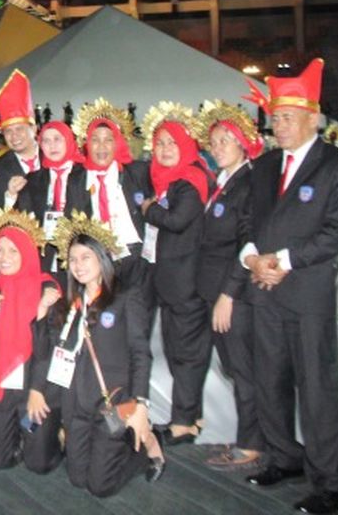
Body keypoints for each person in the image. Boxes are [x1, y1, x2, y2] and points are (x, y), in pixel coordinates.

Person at [240, 59, 338, 514]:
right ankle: (284, 457)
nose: (281, 125)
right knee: (270, 382)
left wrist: (284, 261)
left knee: (317, 387)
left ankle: (335, 482)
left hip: (307, 294)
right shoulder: (266, 165)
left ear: (313, 117)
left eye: (289, 117)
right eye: (276, 117)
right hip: (264, 289)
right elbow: (250, 221)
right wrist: (252, 257)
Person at [49, 212, 164, 496]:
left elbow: (140, 353)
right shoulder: (68, 305)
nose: (78, 265)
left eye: (86, 257)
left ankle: (147, 444)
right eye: (73, 259)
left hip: (114, 402)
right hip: (77, 404)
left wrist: (139, 404)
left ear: (102, 258)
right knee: (77, 478)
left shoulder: (126, 297)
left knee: (100, 486)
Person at [193, 99, 265, 470]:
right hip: (214, 291)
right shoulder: (223, 182)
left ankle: (252, 443)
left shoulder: (248, 184)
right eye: (214, 141)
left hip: (232, 294)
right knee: (236, 368)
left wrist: (227, 296)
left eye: (226, 140)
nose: (217, 147)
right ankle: (248, 435)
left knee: (243, 367)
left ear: (243, 143)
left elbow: (247, 243)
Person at [139, 102, 214, 445]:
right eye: (160, 144)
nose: (166, 150)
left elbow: (178, 221)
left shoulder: (190, 179)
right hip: (172, 283)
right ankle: (190, 416)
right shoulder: (169, 181)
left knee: (186, 353)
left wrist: (149, 210)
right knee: (178, 350)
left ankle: (184, 423)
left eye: (172, 143)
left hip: (186, 284)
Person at [0, 207, 63, 473]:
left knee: (39, 465)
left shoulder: (47, 291)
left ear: (26, 252)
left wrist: (37, 389)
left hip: (34, 386)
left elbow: (52, 350)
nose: (4, 257)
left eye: (13, 250)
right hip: (1, 384)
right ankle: (22, 434)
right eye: (0, 250)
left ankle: (53, 435)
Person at [72, 99, 150, 298]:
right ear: (86, 144)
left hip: (136, 259)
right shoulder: (76, 179)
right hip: (98, 261)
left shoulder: (138, 172)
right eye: (95, 140)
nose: (101, 146)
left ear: (118, 143)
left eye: (108, 139)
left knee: (135, 314)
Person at [15, 120, 85, 280]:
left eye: (57, 139)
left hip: (80, 259)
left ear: (68, 140)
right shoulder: (33, 180)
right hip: (45, 259)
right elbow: (23, 218)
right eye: (46, 141)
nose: (52, 146)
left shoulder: (85, 175)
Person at [0, 70, 41, 210]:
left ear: (34, 129)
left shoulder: (53, 157)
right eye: (8, 131)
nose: (14, 136)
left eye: (19, 129)